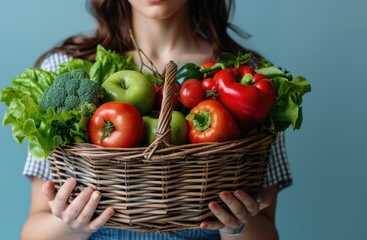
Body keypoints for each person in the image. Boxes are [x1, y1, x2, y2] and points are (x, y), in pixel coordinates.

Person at [21, 0, 292, 239]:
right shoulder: (66, 70)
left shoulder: (251, 78)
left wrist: (234, 228)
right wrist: (72, 227)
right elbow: (34, 229)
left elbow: (266, 230)